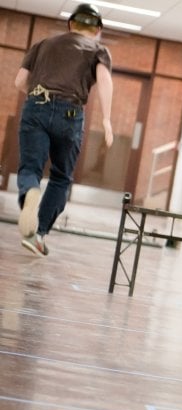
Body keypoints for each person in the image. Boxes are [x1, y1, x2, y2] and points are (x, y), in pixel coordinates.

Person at [15, 3, 113, 256]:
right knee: (60, 177)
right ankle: (39, 235)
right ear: (98, 29)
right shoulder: (98, 50)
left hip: (37, 103)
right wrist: (107, 121)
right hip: (70, 114)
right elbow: (104, 81)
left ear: (70, 24)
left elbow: (19, 82)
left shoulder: (43, 44)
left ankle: (30, 192)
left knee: (30, 168)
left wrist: (39, 100)